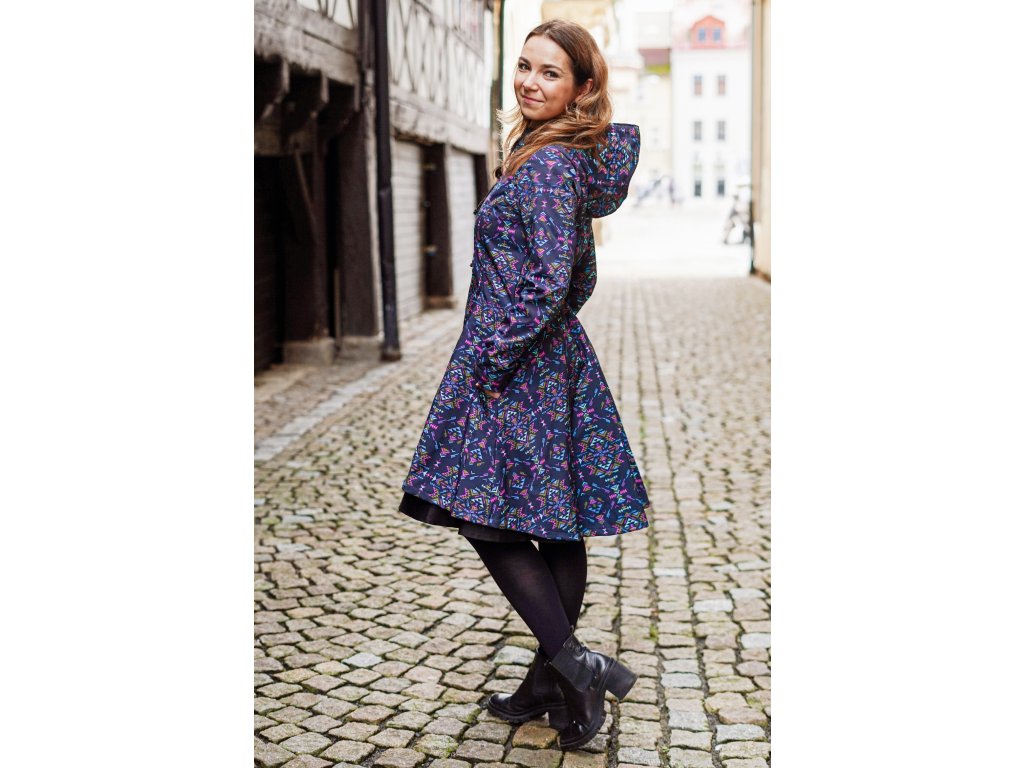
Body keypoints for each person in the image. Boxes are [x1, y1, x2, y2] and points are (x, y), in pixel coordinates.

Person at [398, 19, 650, 751]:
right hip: (546, 356)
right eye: (525, 66)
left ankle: (576, 667)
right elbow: (578, 277)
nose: (530, 82)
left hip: (516, 362)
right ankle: (551, 684)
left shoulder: (545, 167)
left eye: (550, 73)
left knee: (486, 520)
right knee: (554, 523)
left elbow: (547, 282)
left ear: (582, 88)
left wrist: (492, 356)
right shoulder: (557, 156)